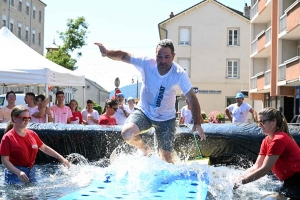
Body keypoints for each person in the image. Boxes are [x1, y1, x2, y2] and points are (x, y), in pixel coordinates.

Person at [95, 39, 205, 163]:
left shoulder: (179, 74)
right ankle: (145, 149)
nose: (163, 60)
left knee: (167, 160)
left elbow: (192, 98)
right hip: (144, 112)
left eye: (167, 57)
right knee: (127, 133)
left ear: (173, 56)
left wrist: (197, 123)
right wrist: (107, 53)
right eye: (159, 56)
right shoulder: (146, 63)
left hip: (166, 119)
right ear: (155, 55)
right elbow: (124, 56)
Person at [234, 107, 300, 199]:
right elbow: (257, 166)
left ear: (273, 122)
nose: (259, 125)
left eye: (262, 122)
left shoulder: (279, 139)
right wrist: (239, 178)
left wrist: (241, 182)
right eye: (257, 122)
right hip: (291, 182)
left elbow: (264, 169)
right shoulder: (266, 140)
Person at [0, 106, 70, 185]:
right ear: (14, 119)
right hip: (14, 174)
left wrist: (61, 158)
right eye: (24, 118)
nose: (27, 120)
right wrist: (18, 172)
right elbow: (4, 161)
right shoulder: (8, 138)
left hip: (31, 171)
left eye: (28, 118)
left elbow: (44, 148)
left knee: (32, 196)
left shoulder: (32, 134)